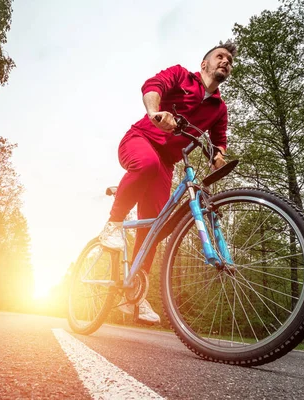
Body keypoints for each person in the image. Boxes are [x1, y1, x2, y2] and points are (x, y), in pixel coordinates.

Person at [99, 42, 237, 324]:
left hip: (167, 162)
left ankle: (133, 293)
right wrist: (155, 113)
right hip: (140, 140)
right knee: (146, 164)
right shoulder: (181, 76)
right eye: (220, 57)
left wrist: (218, 156)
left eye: (230, 61)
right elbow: (153, 86)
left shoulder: (219, 108)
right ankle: (112, 225)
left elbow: (219, 141)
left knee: (153, 225)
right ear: (204, 64)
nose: (226, 62)